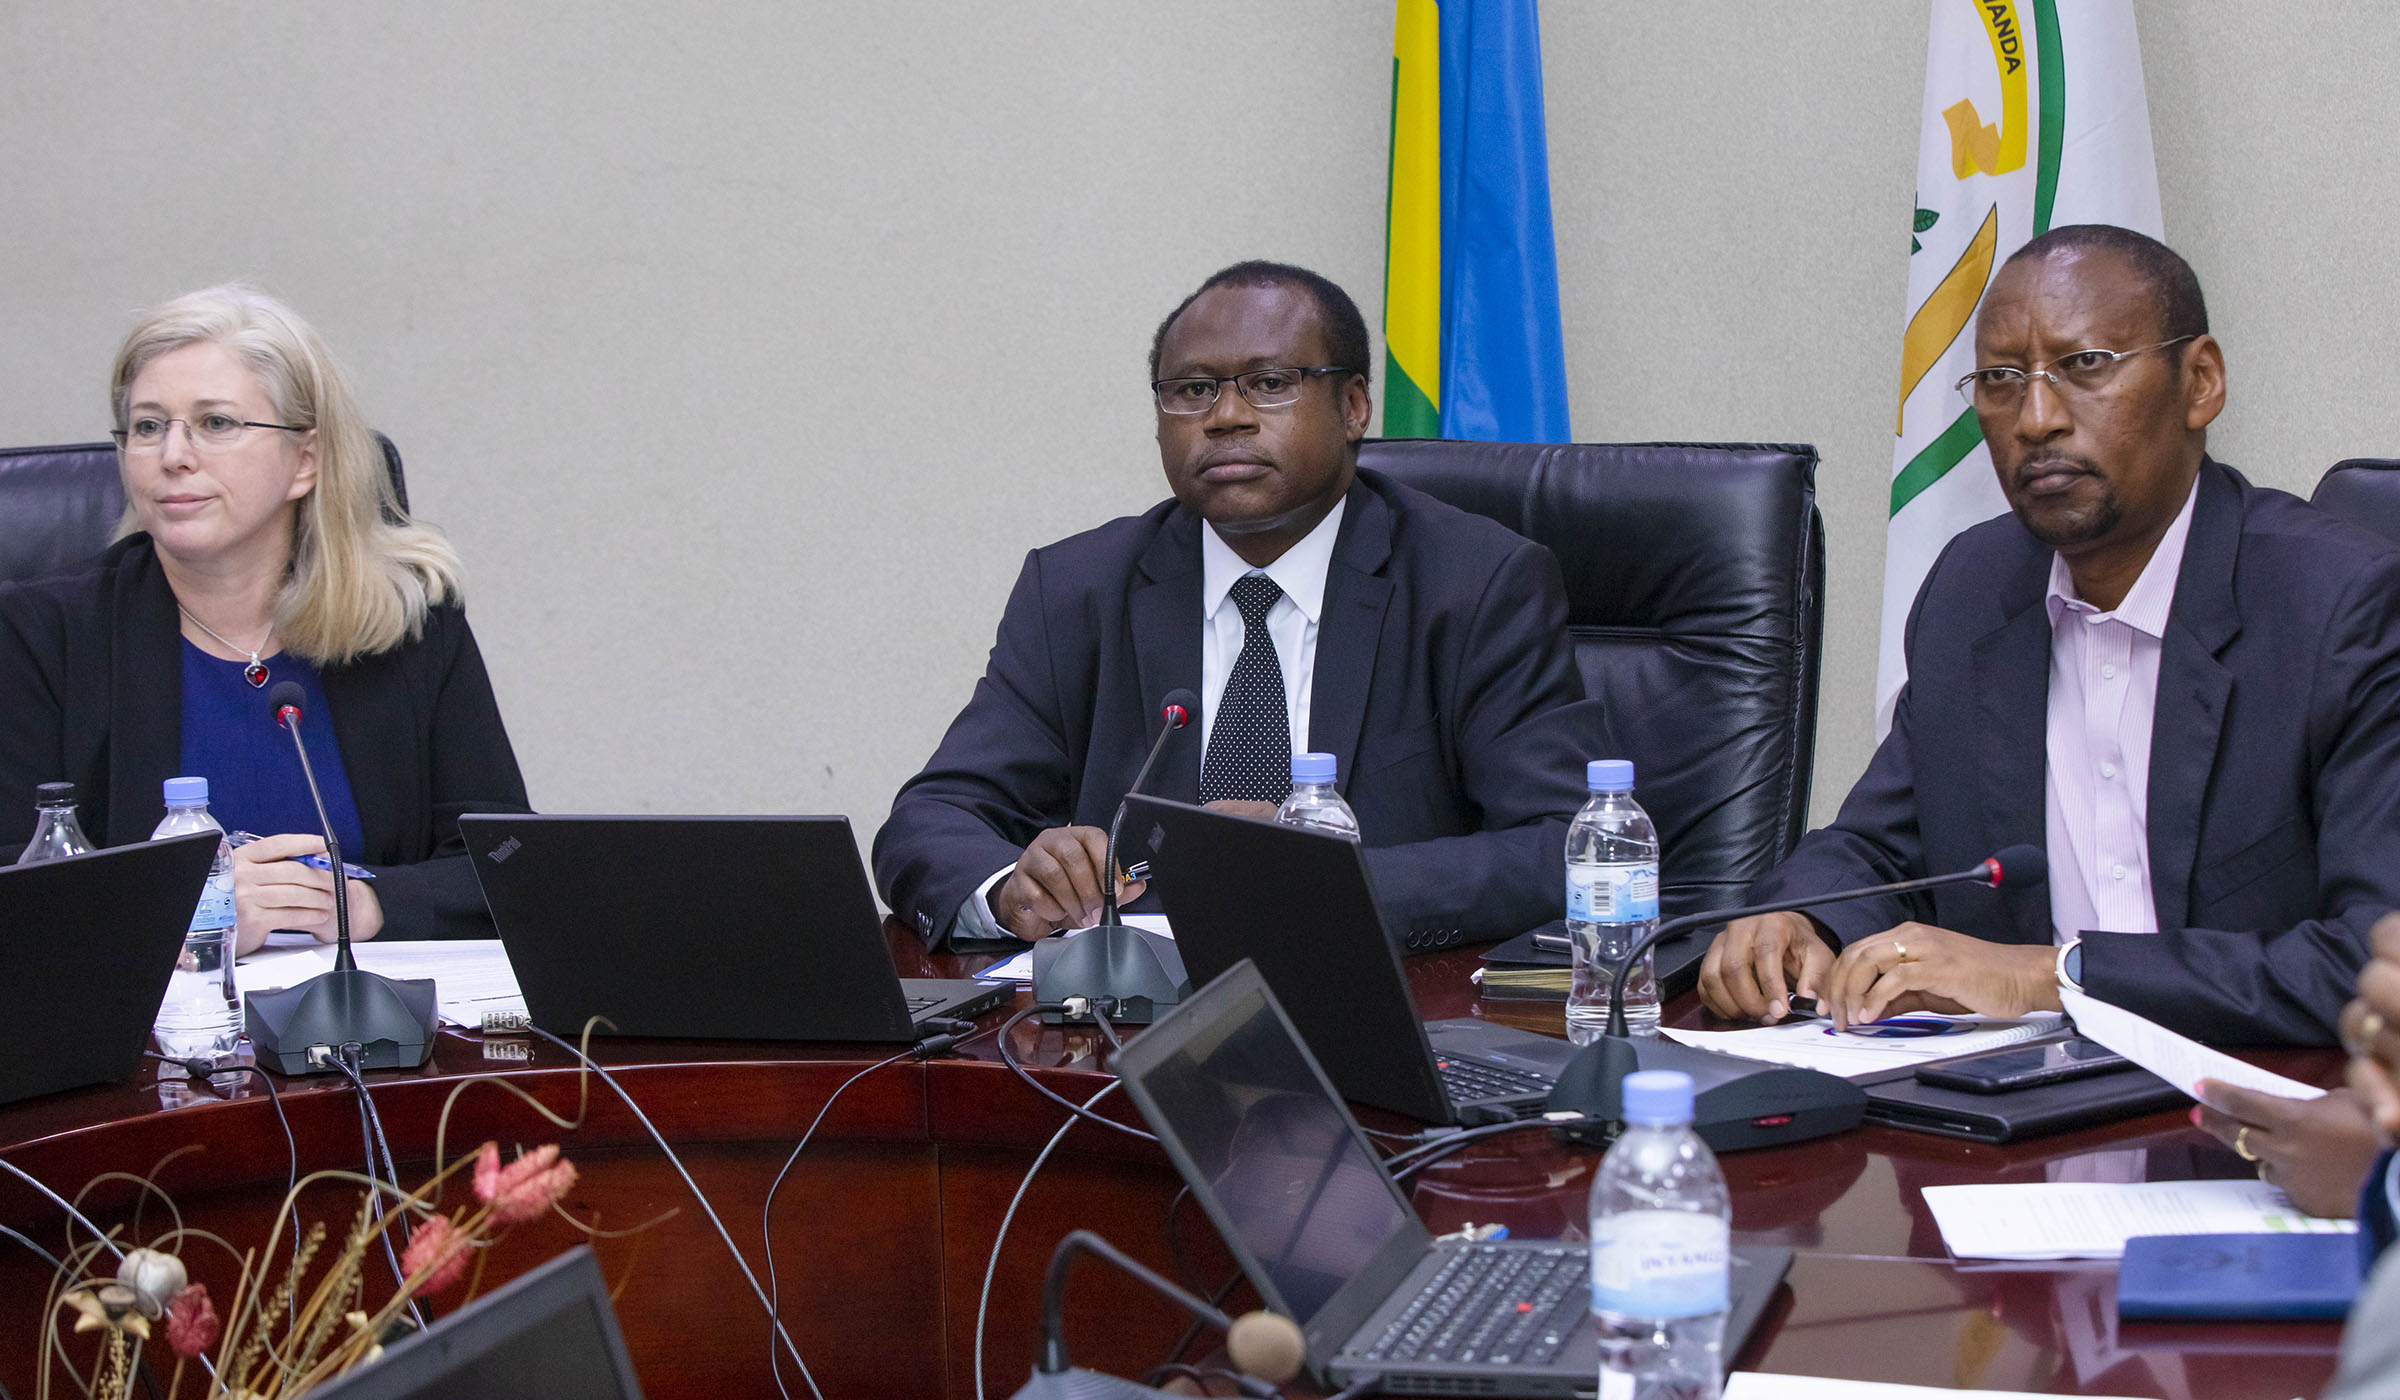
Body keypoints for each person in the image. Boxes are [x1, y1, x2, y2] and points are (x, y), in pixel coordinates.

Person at [1697, 225, 2400, 1044]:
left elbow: (2374, 959)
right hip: (2023, 1097)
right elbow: (1885, 848)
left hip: (2257, 1098)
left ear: (2200, 383)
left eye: (2086, 365)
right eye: (2000, 380)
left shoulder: (2339, 607)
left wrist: (2051, 977)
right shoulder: (1975, 588)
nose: (2035, 419)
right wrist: (1798, 920)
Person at [874, 261, 1603, 949]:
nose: (1225, 416)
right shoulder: (1074, 589)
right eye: (1192, 390)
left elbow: (1568, 844)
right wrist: (1011, 889)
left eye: (1269, 383)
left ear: (1353, 407)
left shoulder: (1475, 584)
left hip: (1382, 997)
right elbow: (931, 819)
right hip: (1129, 1013)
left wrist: (1323, 882)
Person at [0, 284, 528, 948]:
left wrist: (367, 904)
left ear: (304, 461)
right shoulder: (41, 635)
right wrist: (183, 915)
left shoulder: (409, 621)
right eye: (148, 426)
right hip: (163, 1009)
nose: (173, 455)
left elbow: (507, 858)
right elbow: (18, 885)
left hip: (373, 1006)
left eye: (216, 423)